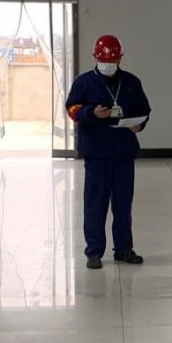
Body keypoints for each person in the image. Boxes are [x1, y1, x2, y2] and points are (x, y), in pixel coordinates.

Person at [65, 34, 151, 270]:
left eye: (112, 60)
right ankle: (94, 252)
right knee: (95, 205)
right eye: (104, 60)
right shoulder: (84, 82)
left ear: (120, 58)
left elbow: (144, 109)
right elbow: (72, 109)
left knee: (123, 205)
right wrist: (91, 113)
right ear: (96, 58)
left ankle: (123, 249)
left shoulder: (131, 82)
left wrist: (140, 124)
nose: (108, 64)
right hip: (97, 154)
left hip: (123, 153)